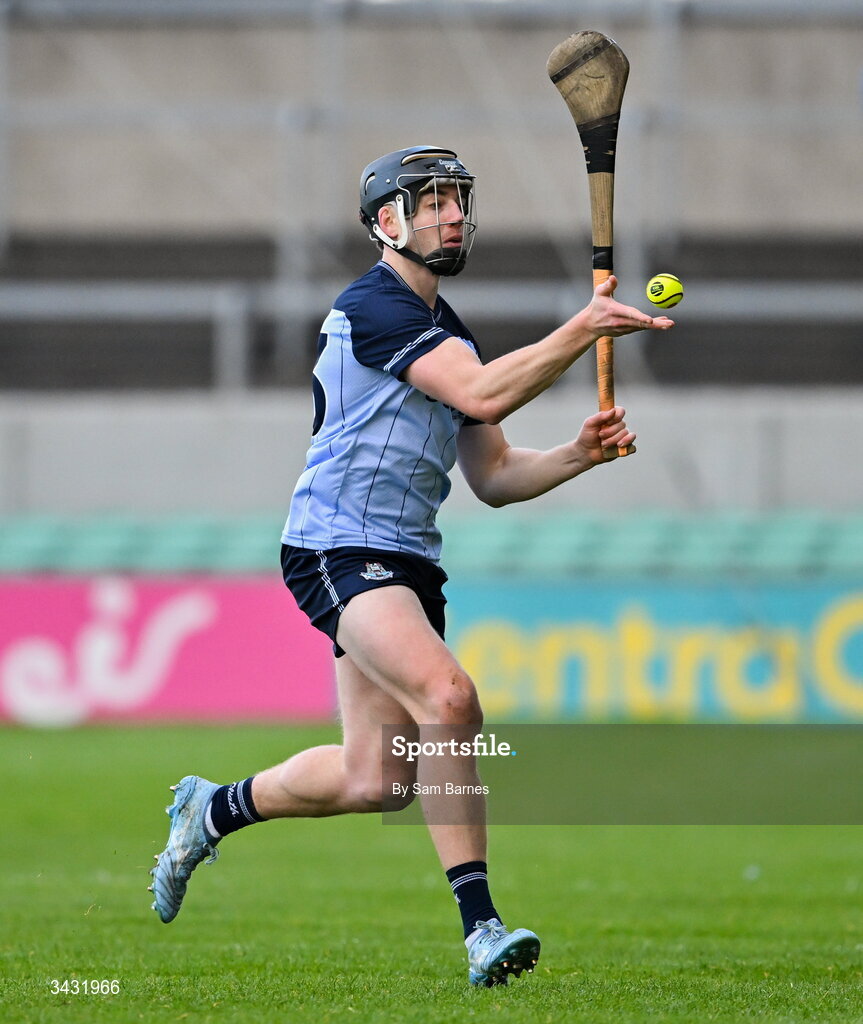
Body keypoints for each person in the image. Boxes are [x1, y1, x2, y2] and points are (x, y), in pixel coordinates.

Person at [148, 145, 674, 986]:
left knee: (375, 780)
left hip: (408, 563)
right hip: (336, 547)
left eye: (457, 200)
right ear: (385, 222)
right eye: (430, 202)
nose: (451, 214)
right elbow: (482, 394)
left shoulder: (447, 333)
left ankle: (210, 810)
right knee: (449, 696)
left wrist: (577, 455)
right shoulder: (374, 306)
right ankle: (481, 929)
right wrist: (581, 328)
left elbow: (496, 475)